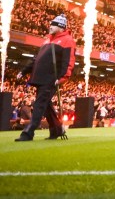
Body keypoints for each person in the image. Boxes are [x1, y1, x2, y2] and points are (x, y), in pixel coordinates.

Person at [15, 14, 75, 142]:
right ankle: (57, 130)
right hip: (41, 77)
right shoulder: (48, 39)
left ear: (60, 27)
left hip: (51, 79)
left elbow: (68, 61)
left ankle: (28, 133)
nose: (50, 26)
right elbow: (37, 59)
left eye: (53, 24)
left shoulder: (68, 40)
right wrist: (24, 71)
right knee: (45, 105)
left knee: (39, 104)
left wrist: (63, 77)